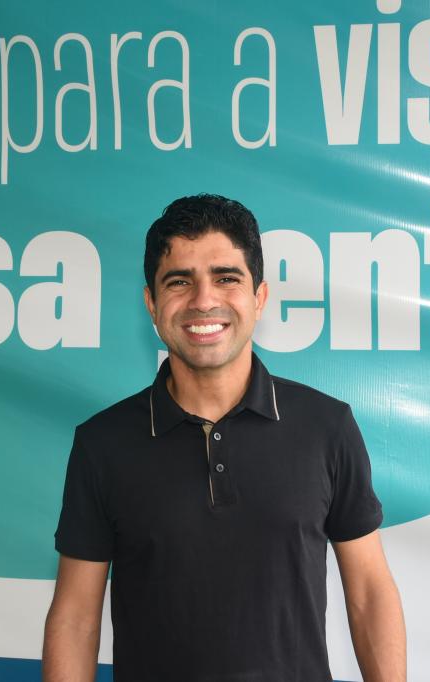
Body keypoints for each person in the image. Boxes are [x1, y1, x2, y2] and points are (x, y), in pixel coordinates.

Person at [42, 194, 406, 681]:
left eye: (226, 278)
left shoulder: (326, 426)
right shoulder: (102, 444)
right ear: (151, 303)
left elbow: (369, 593)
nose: (203, 300)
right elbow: (75, 619)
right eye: (179, 281)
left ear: (259, 297)